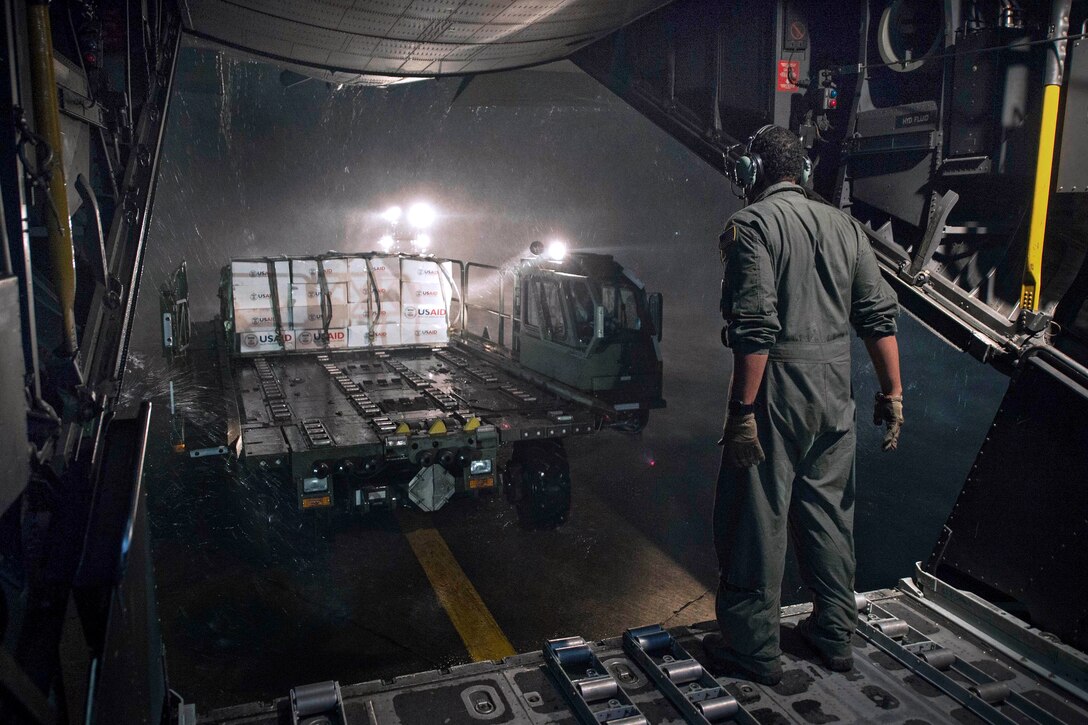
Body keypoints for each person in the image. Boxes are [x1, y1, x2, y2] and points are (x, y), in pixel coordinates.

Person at [703, 125, 904, 686]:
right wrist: (893, 395)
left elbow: (755, 328)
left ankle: (752, 649)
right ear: (806, 172)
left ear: (751, 173)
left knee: (755, 518)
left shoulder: (752, 226)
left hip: (778, 390)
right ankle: (835, 634)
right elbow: (877, 318)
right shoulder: (846, 227)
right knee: (829, 516)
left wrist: (743, 412)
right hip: (835, 390)